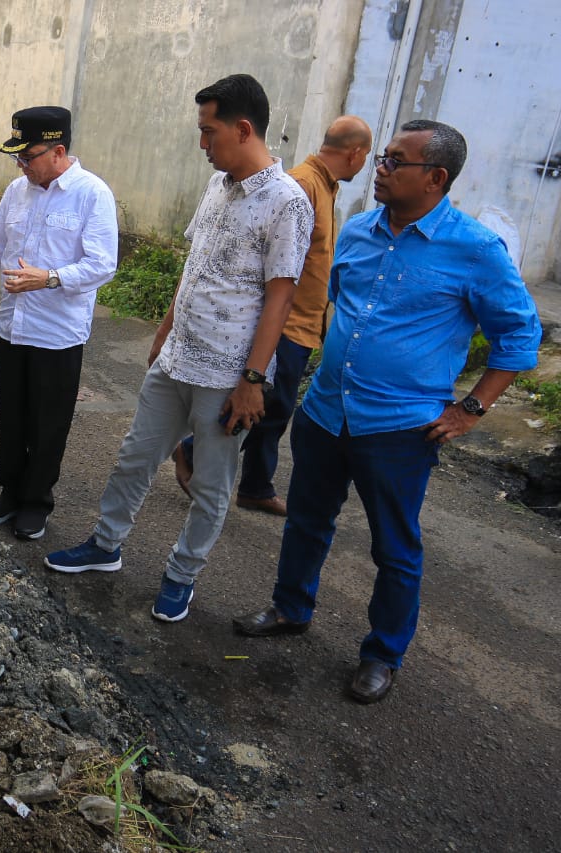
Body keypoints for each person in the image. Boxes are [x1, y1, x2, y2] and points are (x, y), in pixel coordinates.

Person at [232, 120, 542, 703]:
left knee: (394, 548)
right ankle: (291, 607)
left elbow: (519, 337)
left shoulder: (475, 250)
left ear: (436, 177)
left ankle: (382, 654)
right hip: (326, 412)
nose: (380, 168)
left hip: (399, 429)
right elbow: (338, 304)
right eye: (382, 159)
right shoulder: (356, 231)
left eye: (396, 161)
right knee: (305, 520)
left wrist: (471, 409)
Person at [43, 74, 312, 623]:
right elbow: (195, 268)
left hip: (227, 376)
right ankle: (105, 545)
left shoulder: (288, 203)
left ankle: (180, 576)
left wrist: (252, 382)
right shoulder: (218, 184)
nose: (202, 143)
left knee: (211, 486)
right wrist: (165, 330)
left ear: (242, 129)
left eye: (208, 132)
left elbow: (280, 299)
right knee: (135, 458)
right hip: (177, 359)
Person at [173, 116, 374, 516]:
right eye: (369, 157)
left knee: (277, 411)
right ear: (356, 154)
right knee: (261, 405)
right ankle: (194, 454)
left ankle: (256, 485)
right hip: (283, 323)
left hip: (304, 324)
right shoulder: (301, 187)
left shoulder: (324, 186)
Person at [0, 106, 118, 541]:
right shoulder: (17, 190)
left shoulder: (91, 194)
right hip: (12, 328)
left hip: (57, 335)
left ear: (58, 151)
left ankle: (36, 501)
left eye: (28, 157)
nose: (21, 166)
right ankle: (10, 491)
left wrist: (51, 278)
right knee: (12, 416)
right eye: (16, 158)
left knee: (48, 423)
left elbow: (102, 264)